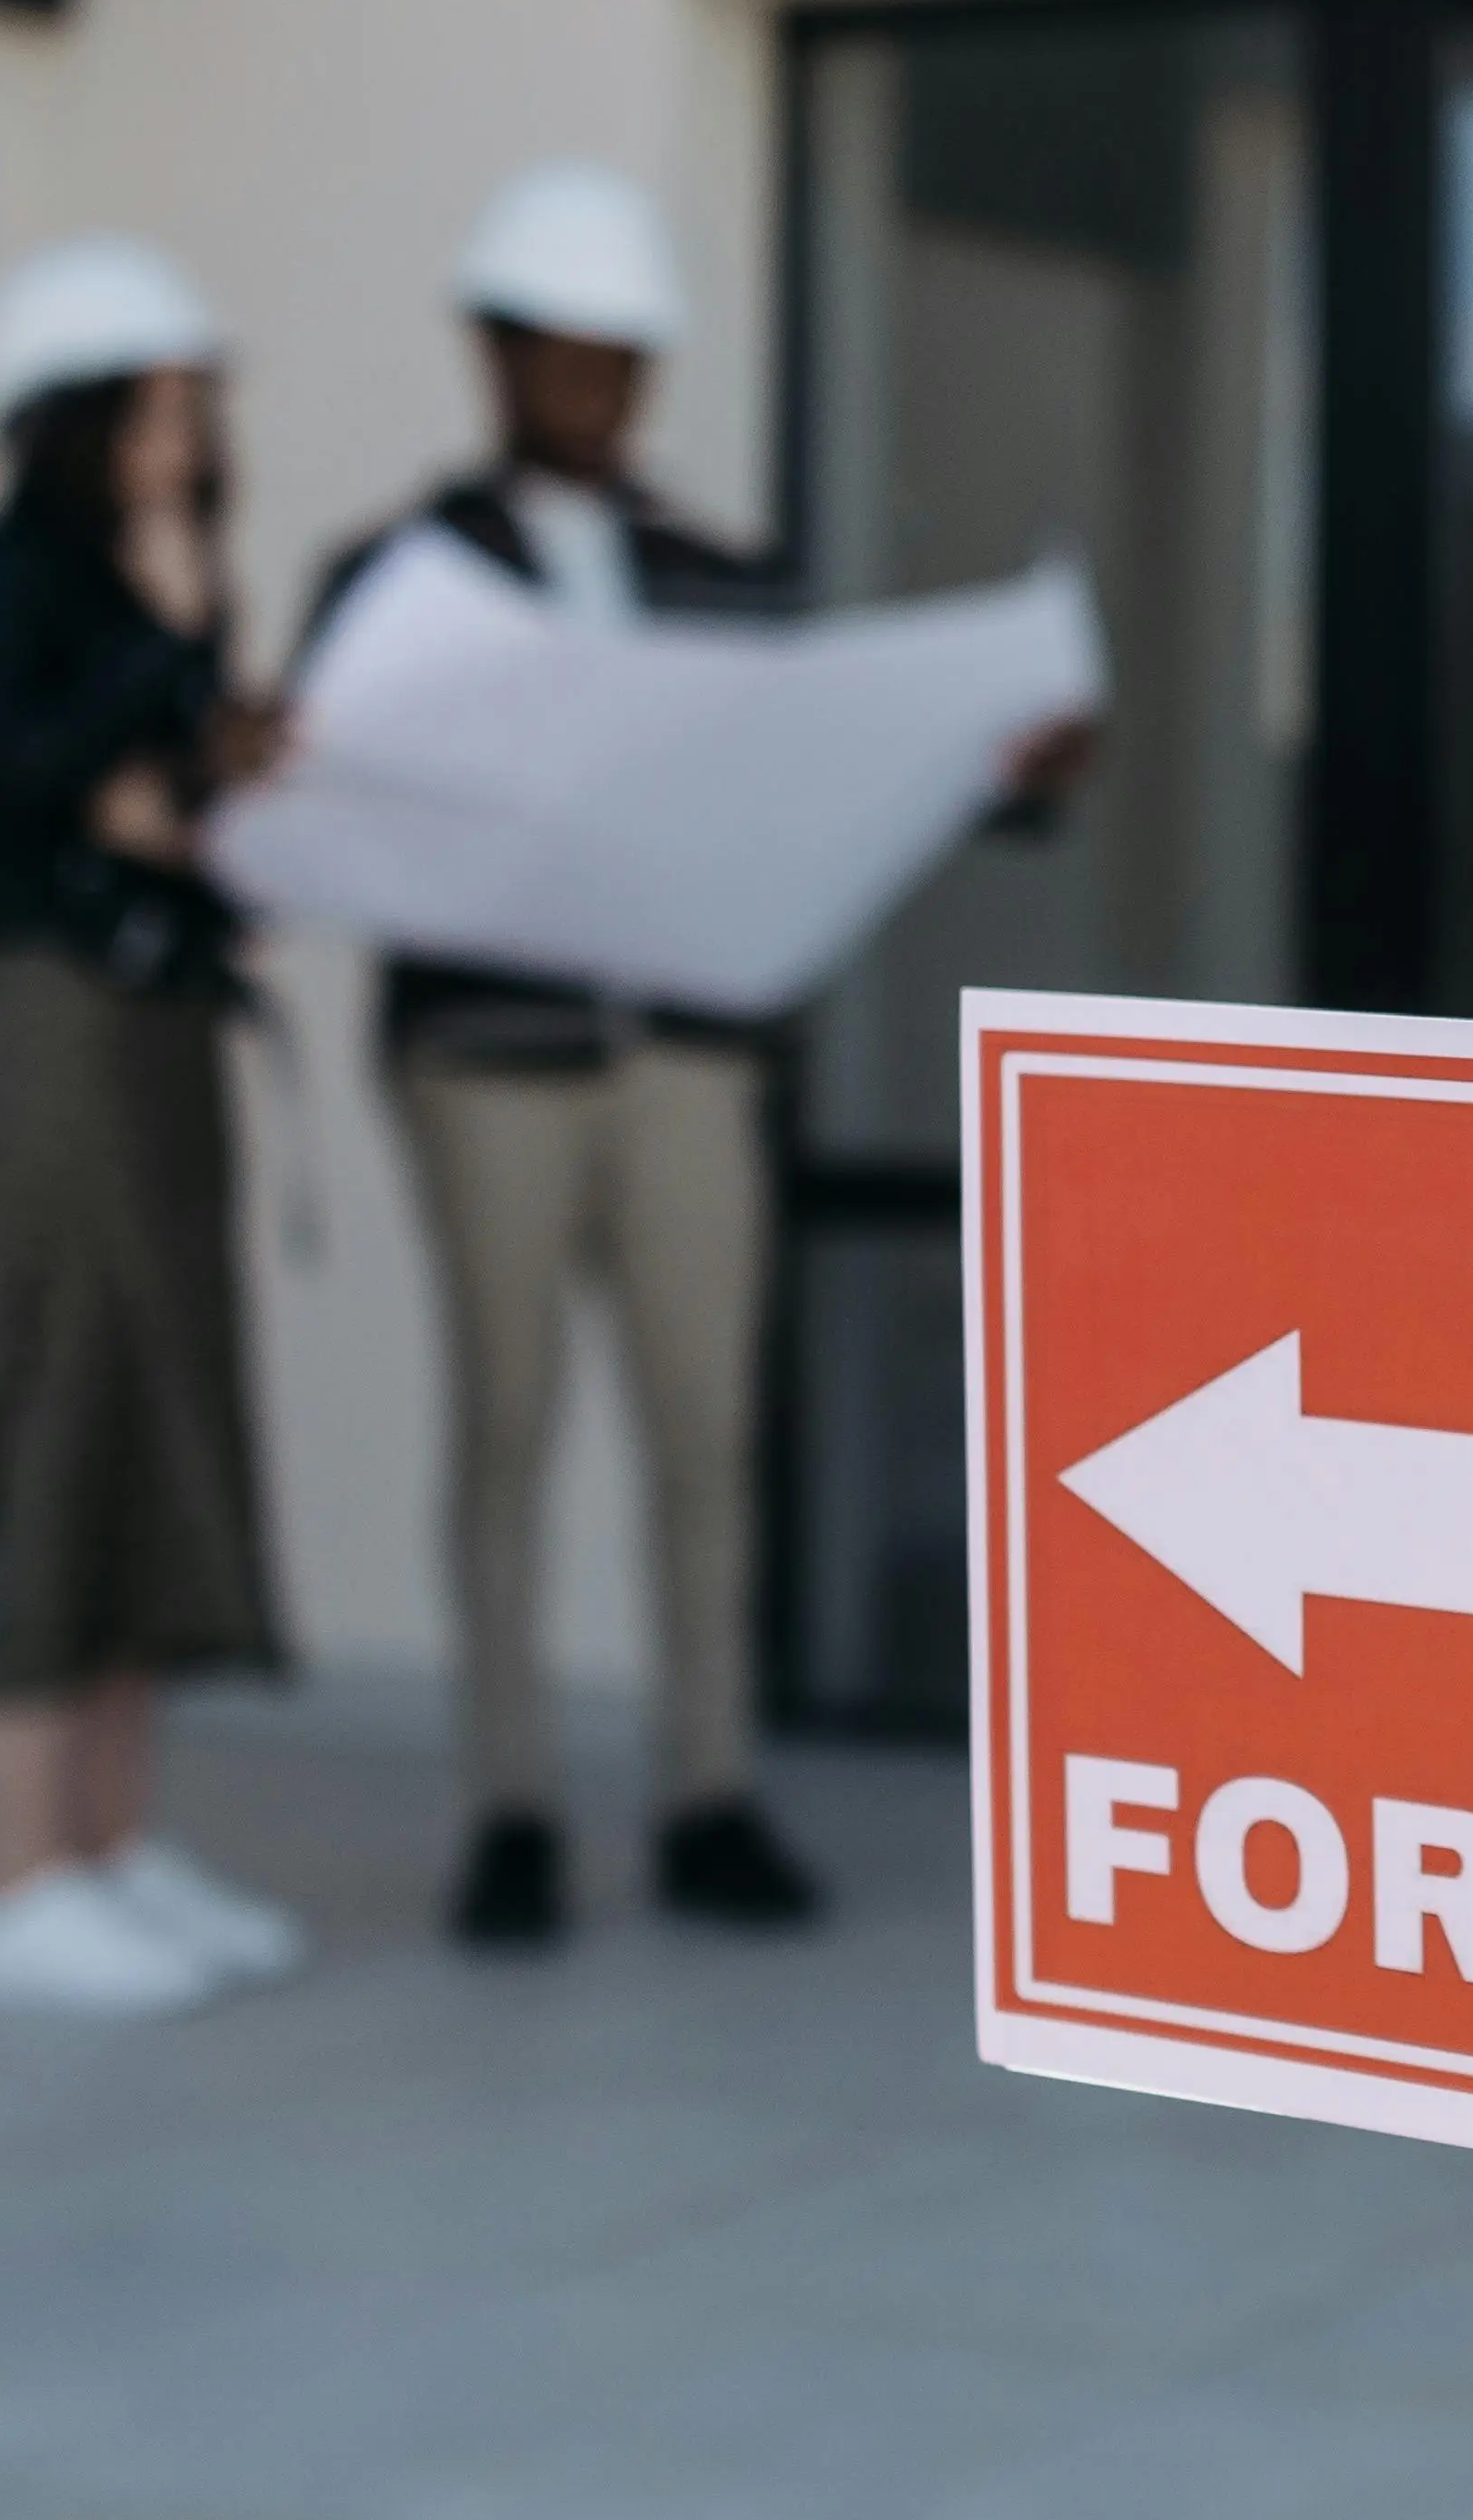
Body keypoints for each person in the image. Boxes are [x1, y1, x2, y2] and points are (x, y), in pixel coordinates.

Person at [320, 161, 1079, 1951]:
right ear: (495, 357)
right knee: (503, 1427)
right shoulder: (397, 577)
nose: (598, 392)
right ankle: (510, 1804)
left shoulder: (727, 581)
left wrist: (994, 776)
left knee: (705, 1431)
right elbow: (329, 788)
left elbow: (818, 784)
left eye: (625, 361)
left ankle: (706, 1788)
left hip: (687, 1063)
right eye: (565, 356)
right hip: (492, 1061)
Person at [0, 238, 313, 2018]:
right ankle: (14, 1881)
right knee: (60, 1435)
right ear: (61, 420)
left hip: (160, 1042)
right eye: (143, 407)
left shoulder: (156, 599)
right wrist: (171, 695)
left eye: (191, 407)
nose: (177, 439)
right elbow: (20, 772)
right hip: (54, 1045)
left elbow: (163, 805)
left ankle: (110, 1848)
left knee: (157, 1432)